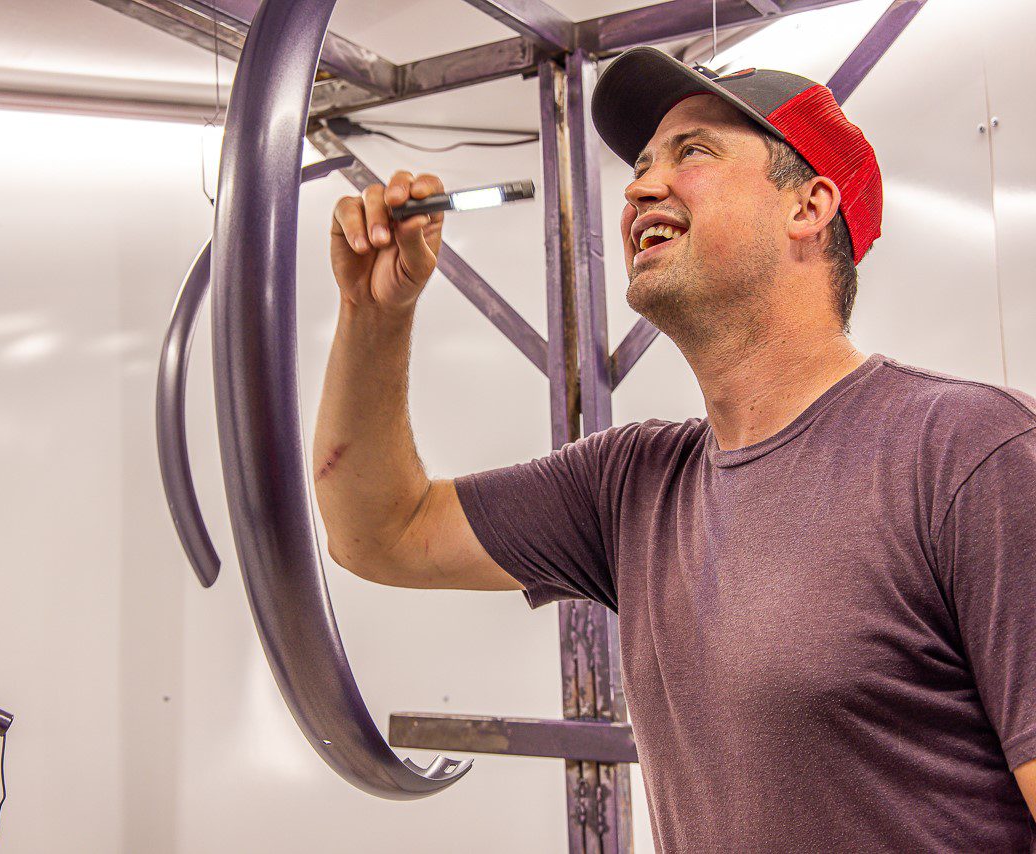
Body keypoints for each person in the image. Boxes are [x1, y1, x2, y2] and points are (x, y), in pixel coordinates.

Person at [316, 45, 1036, 851]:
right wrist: (374, 315)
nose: (639, 186)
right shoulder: (632, 486)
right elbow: (380, 531)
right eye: (643, 164)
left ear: (809, 207)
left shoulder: (971, 454)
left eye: (693, 153)